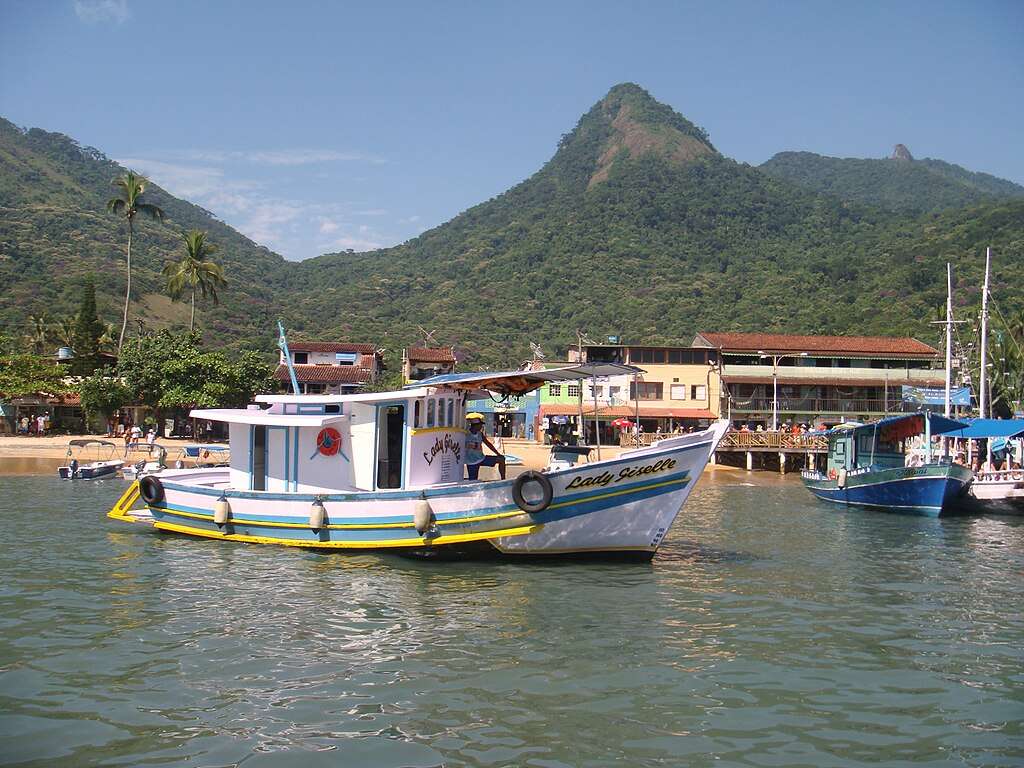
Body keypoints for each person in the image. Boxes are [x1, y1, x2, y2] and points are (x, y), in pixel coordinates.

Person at [465, 412, 506, 481]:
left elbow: (488, 444)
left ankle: (503, 480)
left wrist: (498, 454)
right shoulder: (466, 434)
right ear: (475, 425)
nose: (481, 427)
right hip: (471, 462)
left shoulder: (480, 434)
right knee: (473, 481)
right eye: (480, 425)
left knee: (501, 459)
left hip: (482, 458)